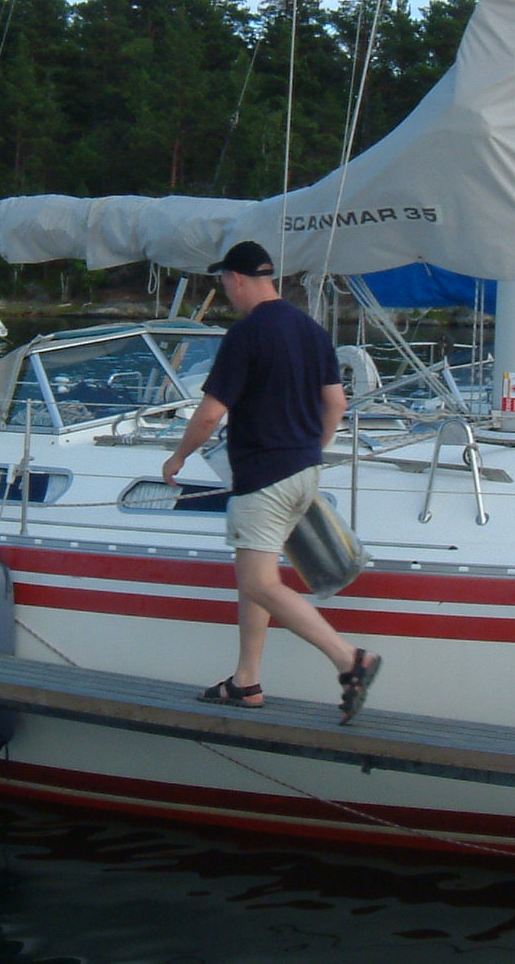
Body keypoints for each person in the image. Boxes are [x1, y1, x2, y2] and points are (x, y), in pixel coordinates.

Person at [162, 239, 381, 723]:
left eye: (224, 282)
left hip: (263, 479)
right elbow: (337, 404)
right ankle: (246, 681)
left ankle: (350, 660)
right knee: (254, 577)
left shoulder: (246, 334)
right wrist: (309, 450)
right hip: (304, 472)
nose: (226, 291)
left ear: (236, 279)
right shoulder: (311, 330)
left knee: (259, 583)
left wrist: (178, 456)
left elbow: (209, 415)